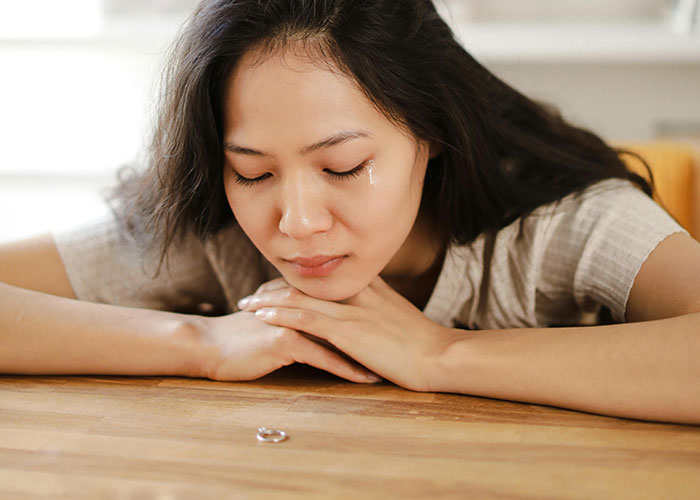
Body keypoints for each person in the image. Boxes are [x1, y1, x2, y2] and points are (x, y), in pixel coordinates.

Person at [1, 0, 699, 425]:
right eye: (254, 171)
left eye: (342, 167)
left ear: (430, 135)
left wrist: (440, 353)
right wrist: (201, 343)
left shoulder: (562, 223)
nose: (297, 222)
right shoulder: (209, 226)